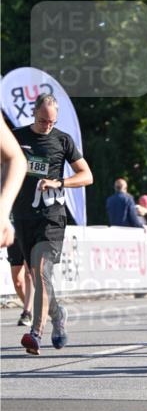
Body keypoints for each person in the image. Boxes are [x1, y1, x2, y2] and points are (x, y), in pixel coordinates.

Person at [11, 93, 93, 355]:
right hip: (23, 217)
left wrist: (59, 182)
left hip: (51, 217)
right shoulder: (16, 137)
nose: (48, 125)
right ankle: (58, 315)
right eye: (43, 120)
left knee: (41, 268)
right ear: (34, 113)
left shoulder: (62, 140)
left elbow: (86, 175)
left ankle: (36, 334)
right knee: (38, 275)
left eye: (52, 121)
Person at [1, 117, 32, 325]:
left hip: (32, 219)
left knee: (31, 272)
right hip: (16, 219)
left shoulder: (60, 142)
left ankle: (30, 312)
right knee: (18, 280)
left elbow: (16, 159)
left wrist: (2, 210)